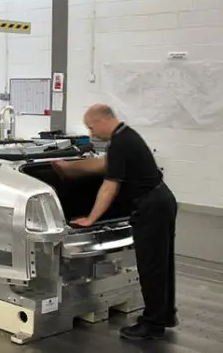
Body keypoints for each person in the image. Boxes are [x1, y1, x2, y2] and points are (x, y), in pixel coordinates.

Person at [52, 104, 177, 341]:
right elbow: (105, 164)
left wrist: (91, 218)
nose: (91, 134)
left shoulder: (121, 143)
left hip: (151, 206)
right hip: (161, 200)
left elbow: (109, 186)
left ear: (102, 121)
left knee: (151, 266)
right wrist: (70, 167)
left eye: (91, 128)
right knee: (162, 263)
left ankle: (152, 324)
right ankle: (165, 314)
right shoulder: (125, 136)